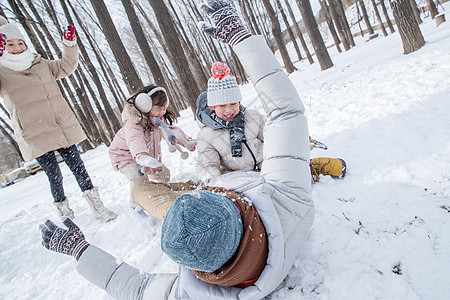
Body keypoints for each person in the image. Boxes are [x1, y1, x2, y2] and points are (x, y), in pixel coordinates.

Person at [39, 0, 315, 299]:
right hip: (233, 181)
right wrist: (240, 38)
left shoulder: (192, 292)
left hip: (217, 186)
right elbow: (285, 113)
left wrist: (80, 251)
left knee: (142, 192)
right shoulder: (288, 202)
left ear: (199, 268)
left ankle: (172, 204)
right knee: (154, 189)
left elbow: (137, 289)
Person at [0, 17, 116, 222]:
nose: (17, 47)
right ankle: (65, 214)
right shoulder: (3, 72)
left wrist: (69, 44)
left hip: (59, 124)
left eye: (20, 43)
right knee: (55, 176)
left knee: (79, 167)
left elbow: (66, 66)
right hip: (33, 131)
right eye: (10, 44)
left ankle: (98, 206)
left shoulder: (39, 63)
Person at [196, 63, 346, 184]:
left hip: (268, 163)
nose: (228, 110)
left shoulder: (251, 116)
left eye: (233, 104)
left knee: (292, 171)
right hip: (241, 177)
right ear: (212, 107)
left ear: (239, 102)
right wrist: (212, 182)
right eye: (222, 106)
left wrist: (296, 140)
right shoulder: (206, 135)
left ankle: (312, 168)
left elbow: (274, 134)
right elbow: (208, 164)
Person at [108, 84, 196, 212]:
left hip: (147, 156)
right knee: (139, 180)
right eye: (158, 108)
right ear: (145, 105)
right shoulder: (133, 124)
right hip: (124, 156)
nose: (162, 112)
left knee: (164, 175)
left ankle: (159, 193)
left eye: (164, 108)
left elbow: (170, 133)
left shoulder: (157, 119)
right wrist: (142, 156)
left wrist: (186, 141)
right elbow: (135, 140)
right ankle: (135, 205)